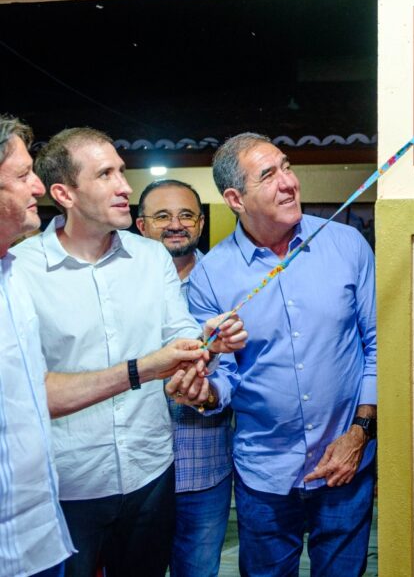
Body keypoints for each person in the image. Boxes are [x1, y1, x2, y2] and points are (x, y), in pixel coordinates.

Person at [12, 127, 246, 577]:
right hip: (67, 482)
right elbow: (27, 389)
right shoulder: (21, 271)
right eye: (105, 175)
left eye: (121, 171)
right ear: (64, 194)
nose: (125, 186)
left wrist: (204, 344)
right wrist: (147, 367)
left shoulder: (151, 258)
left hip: (150, 472)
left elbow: (179, 332)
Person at [170, 132, 377, 576]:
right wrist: (204, 392)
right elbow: (222, 375)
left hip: (346, 465)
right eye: (268, 175)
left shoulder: (347, 246)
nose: (288, 182)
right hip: (264, 475)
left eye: (287, 167)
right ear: (235, 199)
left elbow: (376, 347)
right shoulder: (211, 276)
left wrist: (359, 433)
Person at [136, 179, 233, 577]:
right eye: (162, 216)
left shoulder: (223, 281)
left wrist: (210, 394)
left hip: (203, 467)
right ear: (141, 226)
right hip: (136, 474)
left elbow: (238, 369)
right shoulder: (121, 286)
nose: (175, 225)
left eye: (186, 215)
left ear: (201, 223)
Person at [0, 117, 75, 577]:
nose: (39, 187)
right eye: (23, 174)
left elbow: (32, 390)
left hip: (40, 535)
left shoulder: (13, 273)